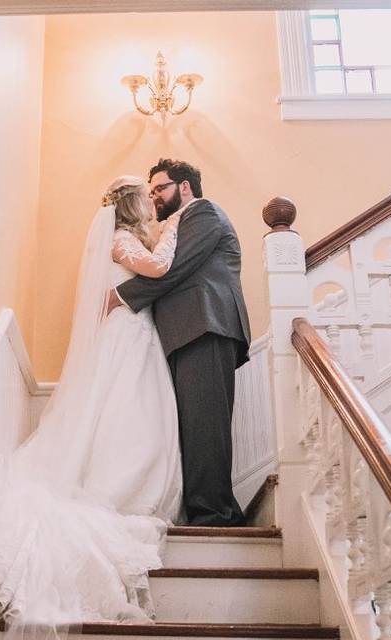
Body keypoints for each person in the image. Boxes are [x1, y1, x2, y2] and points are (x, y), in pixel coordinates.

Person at [0, 176, 183, 630]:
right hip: (125, 338)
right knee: (128, 414)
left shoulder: (122, 238)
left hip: (136, 336)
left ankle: (134, 488)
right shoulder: (121, 240)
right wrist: (171, 233)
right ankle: (116, 492)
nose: (153, 205)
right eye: (146, 200)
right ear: (132, 207)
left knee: (138, 415)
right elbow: (157, 269)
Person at [109, 159, 252, 527]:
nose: (154, 196)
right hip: (183, 332)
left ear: (184, 187)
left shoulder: (203, 213)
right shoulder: (172, 226)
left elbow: (177, 268)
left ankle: (216, 515)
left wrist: (121, 297)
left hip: (205, 325)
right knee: (191, 424)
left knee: (205, 424)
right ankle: (200, 507)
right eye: (151, 191)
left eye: (161, 188)